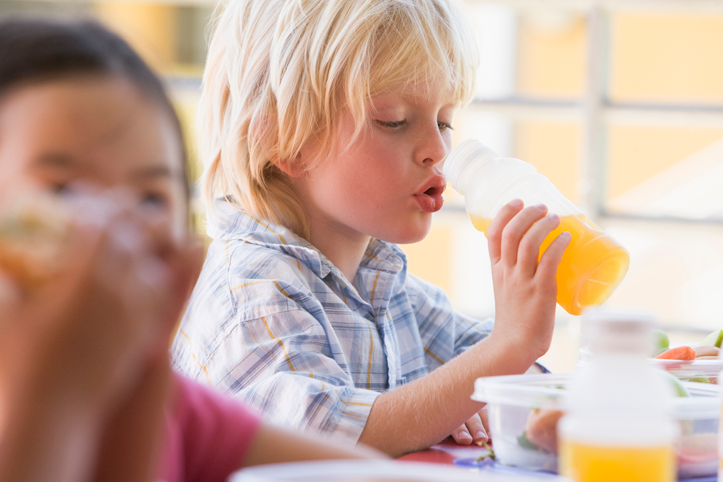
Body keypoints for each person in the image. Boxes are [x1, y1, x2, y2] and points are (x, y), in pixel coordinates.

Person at [171, 0, 571, 457]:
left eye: (445, 121)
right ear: (285, 141)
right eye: (394, 121)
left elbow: (476, 362)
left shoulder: (380, 285)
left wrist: (537, 386)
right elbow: (321, 443)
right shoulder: (252, 292)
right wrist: (508, 348)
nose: (438, 151)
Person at [0, 18, 381, 482]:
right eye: (63, 192)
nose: (118, 232)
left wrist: (144, 378)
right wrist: (57, 399)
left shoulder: (181, 415)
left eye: (150, 198)